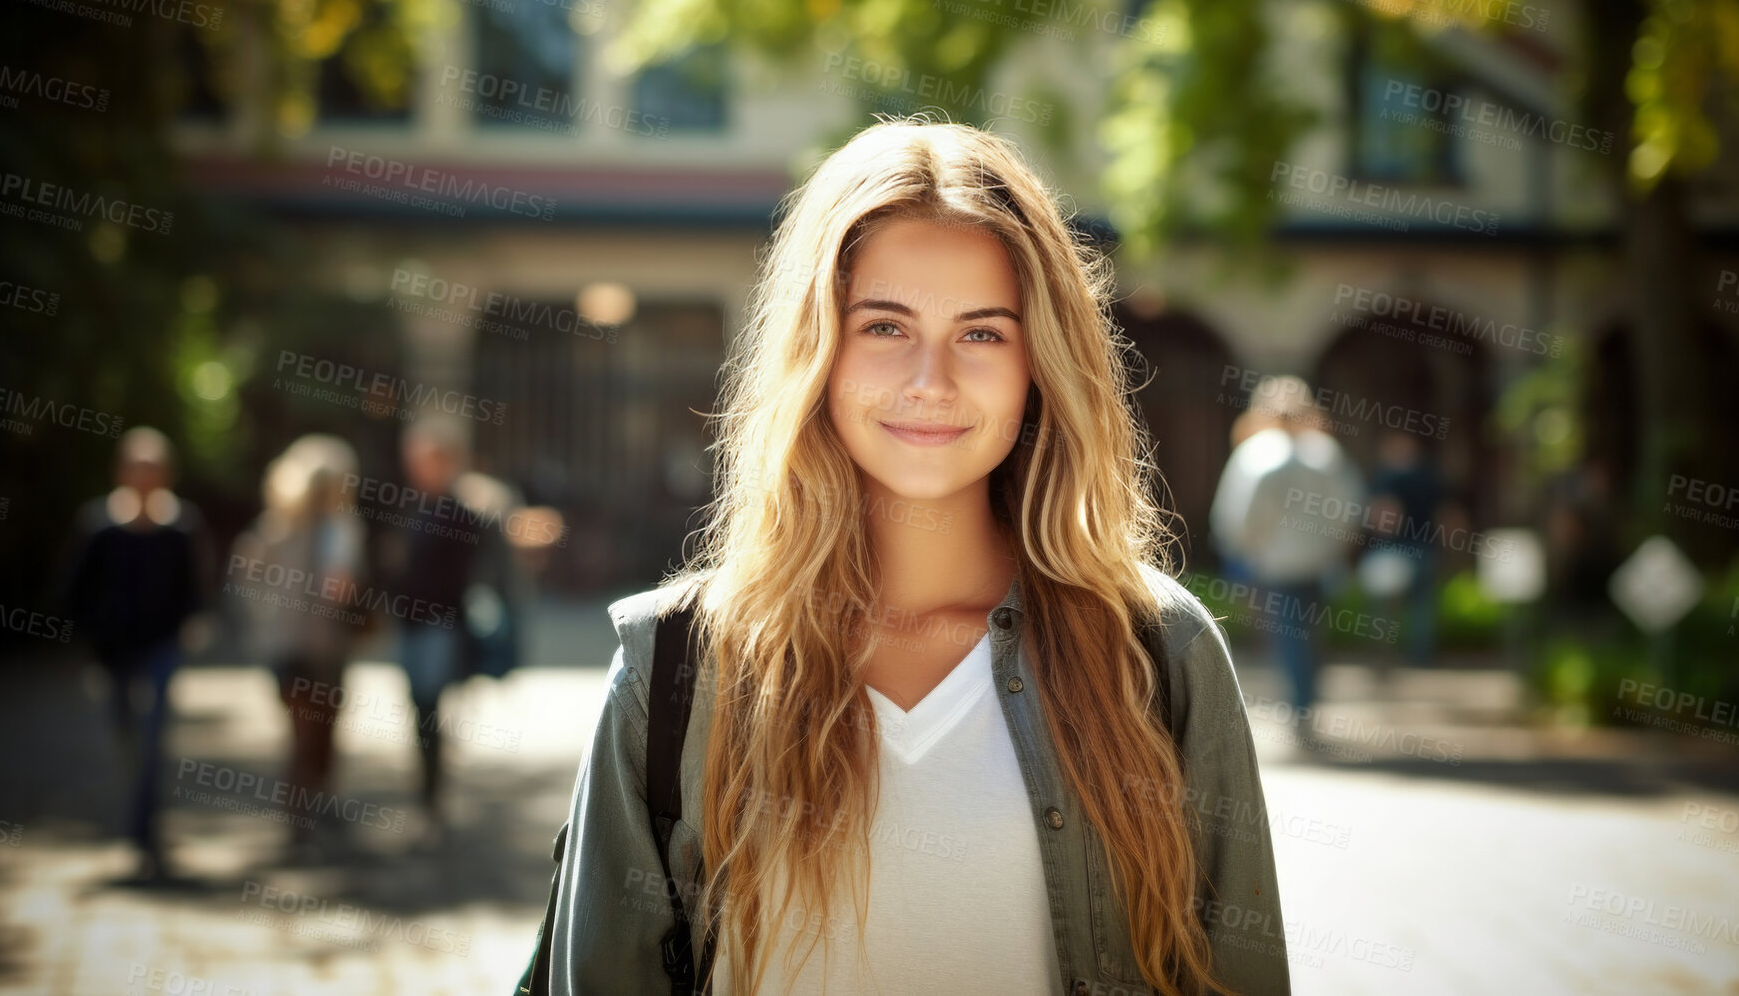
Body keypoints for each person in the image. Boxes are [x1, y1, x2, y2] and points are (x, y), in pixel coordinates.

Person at [545, 119, 1290, 996]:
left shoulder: (1158, 653)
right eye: (885, 326)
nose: (930, 380)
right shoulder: (673, 668)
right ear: (818, 352)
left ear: (1037, 364)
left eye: (981, 333)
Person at [56, 427, 214, 880]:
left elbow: (194, 589)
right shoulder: (100, 525)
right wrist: (86, 638)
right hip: (115, 651)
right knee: (128, 736)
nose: (145, 475)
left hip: (162, 647)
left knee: (152, 738)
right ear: (122, 470)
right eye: (137, 465)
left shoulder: (181, 525)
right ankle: (142, 821)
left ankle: (142, 832)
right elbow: (73, 589)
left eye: (153, 466)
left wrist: (190, 625)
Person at [230, 434, 366, 856]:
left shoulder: (342, 529)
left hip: (327, 647)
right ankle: (300, 817)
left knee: (322, 729)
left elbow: (353, 585)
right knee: (305, 732)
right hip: (293, 647)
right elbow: (245, 578)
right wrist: (268, 621)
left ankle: (318, 806)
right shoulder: (280, 528)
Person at [1208, 376, 1364, 730]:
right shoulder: (1326, 452)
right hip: (1318, 561)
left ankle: (1298, 704)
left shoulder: (1256, 452)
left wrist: (1245, 548)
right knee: (1310, 632)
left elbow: (1238, 515)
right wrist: (1333, 547)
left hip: (1274, 562)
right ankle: (1306, 699)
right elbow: (1350, 510)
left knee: (1285, 632)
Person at [384, 416, 512, 841]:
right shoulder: (413, 508)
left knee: (430, 707)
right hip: (412, 623)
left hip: (440, 623)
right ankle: (427, 791)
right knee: (420, 707)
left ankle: (432, 795)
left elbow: (475, 576)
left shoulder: (462, 513)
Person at [1363, 430, 1443, 668]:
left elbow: (1386, 514)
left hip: (1395, 549)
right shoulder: (1430, 477)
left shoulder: (1387, 478)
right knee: (1422, 606)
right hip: (1426, 547)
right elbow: (1445, 515)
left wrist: (1375, 541)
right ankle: (1420, 657)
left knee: (1384, 606)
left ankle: (1383, 654)